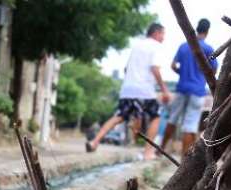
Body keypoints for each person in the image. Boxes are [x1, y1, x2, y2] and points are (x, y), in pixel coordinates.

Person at [86, 23, 171, 158]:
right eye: (162, 34)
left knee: (118, 116)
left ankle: (94, 142)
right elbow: (155, 69)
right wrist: (165, 90)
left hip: (127, 89)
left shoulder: (137, 46)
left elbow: (126, 69)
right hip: (144, 90)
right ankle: (148, 153)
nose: (163, 38)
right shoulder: (155, 46)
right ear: (155, 33)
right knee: (156, 117)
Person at [161, 18, 218, 156]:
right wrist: (201, 77)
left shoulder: (183, 46)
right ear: (207, 31)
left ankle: (160, 150)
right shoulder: (208, 48)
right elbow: (214, 70)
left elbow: (173, 65)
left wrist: (183, 72)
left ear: (197, 28)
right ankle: (183, 159)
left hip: (181, 88)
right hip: (197, 91)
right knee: (190, 124)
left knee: (173, 118)